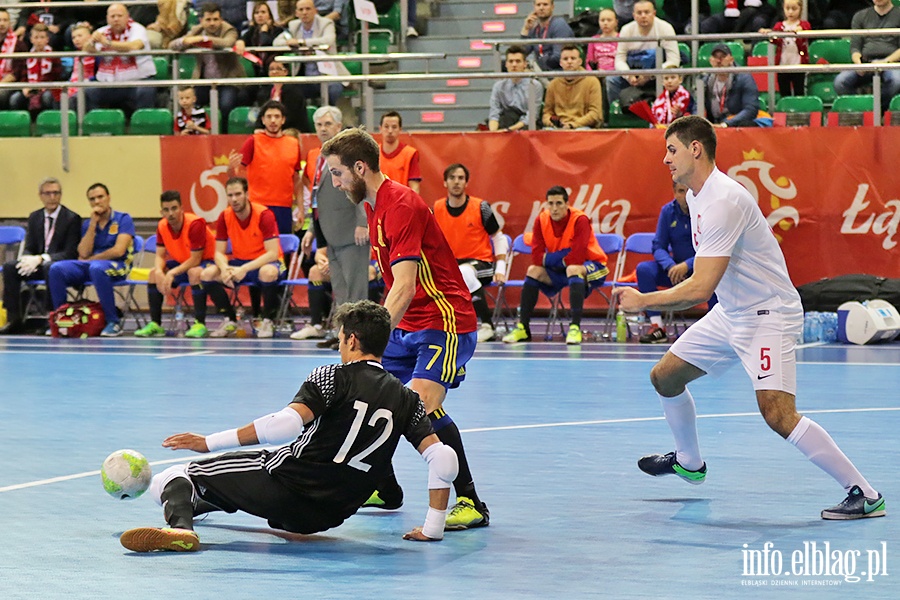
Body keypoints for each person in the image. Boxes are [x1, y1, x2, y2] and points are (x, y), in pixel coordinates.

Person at [612, 115, 885, 521]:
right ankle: (689, 461)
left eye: (671, 150)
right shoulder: (697, 197)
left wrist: (642, 300)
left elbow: (700, 287)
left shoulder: (723, 200)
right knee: (664, 376)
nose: (664, 159)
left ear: (695, 149)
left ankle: (864, 493)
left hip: (767, 314)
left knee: (777, 413)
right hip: (733, 312)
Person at [119, 300, 459, 552]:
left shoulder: (333, 376)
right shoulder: (406, 399)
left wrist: (208, 442)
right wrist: (432, 528)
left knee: (173, 477)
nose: (340, 346)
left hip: (286, 484)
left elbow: (283, 426)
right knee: (221, 487)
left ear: (352, 340)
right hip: (333, 512)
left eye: (341, 338)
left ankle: (181, 528)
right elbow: (443, 460)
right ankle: (198, 500)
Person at [321, 127, 489, 531]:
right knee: (368, 394)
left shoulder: (400, 205)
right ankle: (386, 488)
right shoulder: (374, 205)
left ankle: (471, 502)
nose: (335, 182)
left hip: (444, 320)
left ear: (360, 167)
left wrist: (369, 342)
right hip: (409, 323)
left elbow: (405, 285)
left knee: (420, 405)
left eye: (338, 173)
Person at [292, 106, 370, 344]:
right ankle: (345, 335)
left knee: (356, 289)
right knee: (341, 289)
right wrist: (312, 230)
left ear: (338, 127)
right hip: (330, 232)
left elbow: (362, 188)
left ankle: (360, 338)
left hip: (351, 232)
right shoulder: (319, 157)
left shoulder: (350, 154)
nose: (323, 129)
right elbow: (319, 197)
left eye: (328, 124)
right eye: (319, 125)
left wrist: (363, 222)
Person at [502, 186, 609, 346]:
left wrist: (550, 258)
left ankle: (574, 328)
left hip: (593, 265)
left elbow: (577, 256)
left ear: (567, 204)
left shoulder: (580, 220)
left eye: (559, 203)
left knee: (573, 268)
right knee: (533, 271)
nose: (554, 208)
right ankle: (523, 327)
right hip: (563, 269)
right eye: (550, 204)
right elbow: (537, 258)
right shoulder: (541, 220)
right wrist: (563, 256)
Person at [200, 177, 286, 339]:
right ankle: (230, 319)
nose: (234, 199)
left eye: (238, 194)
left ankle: (267, 321)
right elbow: (218, 252)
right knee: (207, 274)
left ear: (247, 194)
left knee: (267, 272)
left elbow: (272, 253)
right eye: (230, 195)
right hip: (240, 262)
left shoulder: (264, 215)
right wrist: (225, 269)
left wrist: (244, 269)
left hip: (270, 263)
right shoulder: (224, 217)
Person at [433, 164, 509, 343]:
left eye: (460, 178)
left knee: (464, 273)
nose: (456, 182)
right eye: (452, 178)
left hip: (482, 265)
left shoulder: (481, 207)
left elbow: (498, 237)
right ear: (445, 182)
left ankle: (487, 326)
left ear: (466, 182)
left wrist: (501, 267)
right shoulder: (437, 208)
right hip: (451, 266)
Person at [48, 183, 136, 338]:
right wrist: (93, 225)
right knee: (56, 269)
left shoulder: (123, 219)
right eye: (92, 199)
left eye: (100, 197)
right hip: (92, 266)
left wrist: (92, 260)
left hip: (118, 266)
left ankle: (113, 322)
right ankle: (61, 319)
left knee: (96, 267)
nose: (97, 202)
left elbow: (119, 250)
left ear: (108, 198)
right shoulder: (89, 224)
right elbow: (82, 252)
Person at [636, 181, 715, 344]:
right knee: (644, 270)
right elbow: (658, 246)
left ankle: (715, 331)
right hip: (675, 272)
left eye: (688, 191)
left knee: (717, 276)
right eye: (680, 191)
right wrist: (670, 265)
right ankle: (657, 327)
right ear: (674, 193)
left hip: (701, 269)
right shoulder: (668, 211)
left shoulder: (706, 211)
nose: (684, 196)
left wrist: (688, 264)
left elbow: (712, 247)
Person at [0, 178, 81, 335]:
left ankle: (52, 318)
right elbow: (30, 247)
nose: (52, 197)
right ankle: (14, 319)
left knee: (51, 268)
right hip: (37, 264)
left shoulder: (72, 218)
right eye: (48, 193)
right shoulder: (34, 217)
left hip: (58, 265)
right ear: (40, 196)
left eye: (56, 193)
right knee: (10, 267)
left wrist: (42, 258)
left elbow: (70, 252)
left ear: (60, 195)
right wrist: (27, 258)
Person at [134, 190, 216, 338]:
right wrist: (159, 271)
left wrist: (171, 273)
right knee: (153, 273)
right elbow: (160, 255)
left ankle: (200, 324)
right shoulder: (162, 226)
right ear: (161, 212)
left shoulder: (195, 224)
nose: (170, 213)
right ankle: (156, 324)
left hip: (206, 262)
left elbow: (196, 259)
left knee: (194, 272)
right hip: (181, 263)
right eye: (166, 210)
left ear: (181, 208)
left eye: (174, 208)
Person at [228, 100, 303, 236]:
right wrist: (230, 170)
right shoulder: (253, 141)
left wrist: (301, 209)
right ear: (263, 120)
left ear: (283, 120)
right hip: (258, 205)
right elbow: (236, 178)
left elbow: (296, 179)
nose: (273, 120)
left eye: (277, 116)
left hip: (284, 206)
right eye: (269, 117)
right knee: (259, 247)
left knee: (283, 248)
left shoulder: (293, 144)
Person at [169, 2, 245, 122]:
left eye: (215, 19)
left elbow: (227, 43)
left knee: (225, 105)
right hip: (203, 80)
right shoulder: (197, 30)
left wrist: (203, 40)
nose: (212, 23)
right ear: (201, 20)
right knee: (190, 102)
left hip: (227, 80)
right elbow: (172, 45)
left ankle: (223, 133)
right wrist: (186, 41)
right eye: (208, 20)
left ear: (221, 20)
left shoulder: (229, 29)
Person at [272, 0, 349, 107]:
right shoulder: (294, 25)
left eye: (308, 9)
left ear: (315, 11)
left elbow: (328, 40)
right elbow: (276, 43)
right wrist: (291, 43)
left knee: (333, 91)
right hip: (305, 78)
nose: (304, 12)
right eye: (301, 10)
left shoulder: (326, 23)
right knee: (290, 93)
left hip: (329, 76)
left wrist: (302, 43)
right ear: (296, 13)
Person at [84, 3, 157, 113]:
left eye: (119, 16)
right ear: (107, 18)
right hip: (109, 84)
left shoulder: (137, 29)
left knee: (145, 91)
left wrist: (108, 43)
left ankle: (144, 127)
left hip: (138, 81)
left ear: (127, 17)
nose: (116, 19)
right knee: (88, 91)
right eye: (112, 16)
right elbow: (87, 49)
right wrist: (92, 42)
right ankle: (99, 127)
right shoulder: (102, 31)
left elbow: (135, 46)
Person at [607, 0, 679, 107]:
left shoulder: (666, 28)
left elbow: (674, 60)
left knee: (671, 79)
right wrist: (628, 75)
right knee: (611, 80)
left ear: (654, 13)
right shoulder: (626, 30)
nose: (643, 16)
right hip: (632, 74)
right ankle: (614, 115)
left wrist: (650, 74)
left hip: (658, 76)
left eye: (647, 12)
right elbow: (620, 59)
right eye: (639, 13)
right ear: (634, 15)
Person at [833, 0, 900, 110]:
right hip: (865, 61)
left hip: (893, 62)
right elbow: (855, 46)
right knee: (840, 82)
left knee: (897, 81)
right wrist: (858, 63)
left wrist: (886, 61)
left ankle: (879, 111)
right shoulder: (860, 16)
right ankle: (862, 111)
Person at [542, 45, 603, 129]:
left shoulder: (592, 81)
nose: (569, 62)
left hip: (582, 126)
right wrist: (552, 123)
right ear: (560, 63)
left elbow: (595, 113)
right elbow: (547, 113)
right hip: (557, 127)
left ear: (580, 61)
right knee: (546, 132)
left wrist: (573, 125)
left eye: (573, 58)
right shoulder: (553, 84)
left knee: (582, 131)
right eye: (565, 59)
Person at [759, 0, 811, 97]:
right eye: (787, 9)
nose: (790, 12)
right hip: (783, 64)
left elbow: (806, 33)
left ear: (800, 9)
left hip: (798, 64)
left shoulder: (804, 24)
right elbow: (774, 39)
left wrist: (800, 31)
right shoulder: (779, 25)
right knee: (784, 91)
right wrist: (768, 33)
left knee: (799, 91)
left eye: (794, 9)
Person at [488, 45, 544, 132]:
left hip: (527, 125)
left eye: (518, 61)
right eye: (511, 61)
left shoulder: (535, 85)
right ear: (506, 64)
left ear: (525, 64)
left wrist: (509, 130)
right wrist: (493, 133)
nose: (514, 65)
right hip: (506, 121)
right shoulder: (498, 86)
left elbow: (532, 116)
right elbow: (494, 113)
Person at [704, 43, 761, 128]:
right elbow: (697, 106)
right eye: (715, 57)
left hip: (736, 123)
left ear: (731, 59)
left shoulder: (744, 77)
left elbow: (751, 109)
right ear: (710, 60)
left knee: (747, 124)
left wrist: (726, 124)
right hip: (713, 123)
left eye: (723, 56)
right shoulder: (704, 80)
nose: (719, 60)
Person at [9, 23, 61, 115]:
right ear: (31, 39)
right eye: (36, 37)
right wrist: (25, 87)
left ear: (47, 39)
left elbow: (56, 75)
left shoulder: (54, 56)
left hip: (48, 88)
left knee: (47, 97)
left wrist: (41, 86)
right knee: (15, 99)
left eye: (42, 37)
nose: (39, 41)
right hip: (30, 87)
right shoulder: (27, 56)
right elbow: (23, 76)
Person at [254, 60, 310, 134]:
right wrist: (258, 128)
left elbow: (293, 117)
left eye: (278, 69)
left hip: (291, 129)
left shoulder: (294, 92)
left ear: (286, 72)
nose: (274, 72)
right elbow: (261, 114)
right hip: (271, 128)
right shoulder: (264, 92)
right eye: (271, 69)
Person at [519, 0, 574, 71]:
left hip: (560, 74)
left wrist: (541, 59)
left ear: (552, 7)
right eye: (538, 5)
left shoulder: (559, 25)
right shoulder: (535, 28)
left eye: (545, 4)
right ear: (534, 8)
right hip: (543, 73)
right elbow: (522, 53)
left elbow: (558, 58)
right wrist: (525, 29)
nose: (541, 8)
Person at [234, 1, 283, 76]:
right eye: (256, 13)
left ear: (269, 15)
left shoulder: (278, 30)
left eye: (263, 12)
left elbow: (265, 42)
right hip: (256, 69)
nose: (260, 15)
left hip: (272, 68)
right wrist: (240, 41)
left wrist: (264, 31)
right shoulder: (252, 31)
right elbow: (242, 39)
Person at [378, 111, 421, 194]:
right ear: (380, 128)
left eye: (394, 127)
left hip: (402, 204)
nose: (390, 131)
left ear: (400, 129)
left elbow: (415, 188)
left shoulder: (410, 154)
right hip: (379, 204)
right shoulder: (373, 153)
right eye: (386, 126)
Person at [0, 8, 28, 110]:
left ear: (10, 23)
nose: (2, 24)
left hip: (12, 84)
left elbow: (15, 74)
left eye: (5, 20)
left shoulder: (18, 45)